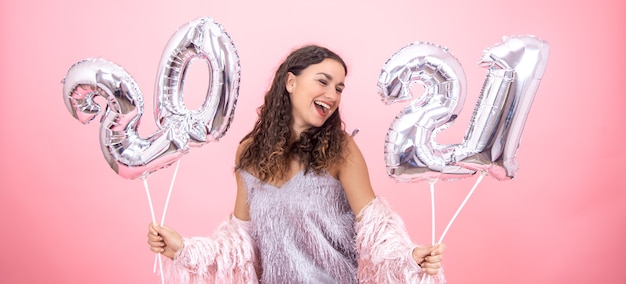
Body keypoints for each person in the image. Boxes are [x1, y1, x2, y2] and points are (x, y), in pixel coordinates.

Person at [147, 45, 446, 283]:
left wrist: (409, 258)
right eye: (323, 82)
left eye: (339, 88)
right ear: (291, 82)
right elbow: (240, 244)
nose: (331, 95)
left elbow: (377, 231)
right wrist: (184, 249)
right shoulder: (249, 153)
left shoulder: (341, 150)